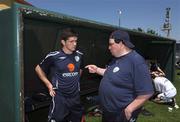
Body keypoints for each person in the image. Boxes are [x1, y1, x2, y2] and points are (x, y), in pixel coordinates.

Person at [86, 30, 154, 122]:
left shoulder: (137, 61)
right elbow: (111, 73)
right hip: (109, 111)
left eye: (111, 44)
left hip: (121, 113)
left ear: (121, 43)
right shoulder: (116, 59)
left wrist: (130, 108)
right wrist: (97, 69)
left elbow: (147, 92)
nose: (109, 47)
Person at [35, 28, 84, 122]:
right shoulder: (54, 56)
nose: (75, 44)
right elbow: (38, 68)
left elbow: (80, 70)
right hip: (60, 97)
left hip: (75, 97)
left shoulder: (80, 55)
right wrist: (49, 85)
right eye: (71, 41)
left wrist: (74, 81)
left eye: (76, 41)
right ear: (63, 42)